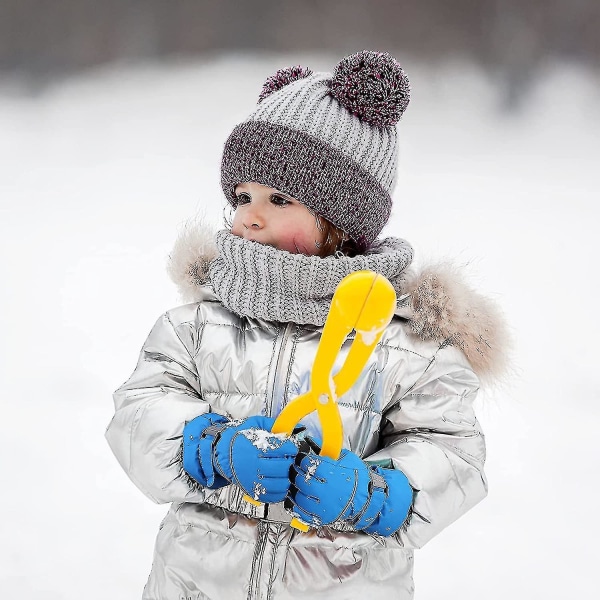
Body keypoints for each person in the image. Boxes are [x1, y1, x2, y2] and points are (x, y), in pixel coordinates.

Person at [106, 51, 509, 600]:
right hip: (197, 585)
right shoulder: (200, 322)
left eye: (279, 199)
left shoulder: (405, 341)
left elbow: (453, 454)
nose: (249, 214)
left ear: (340, 222)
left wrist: (376, 495)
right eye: (242, 196)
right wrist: (213, 451)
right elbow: (140, 410)